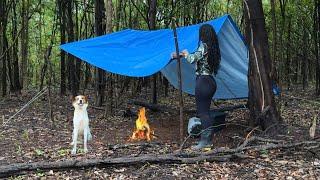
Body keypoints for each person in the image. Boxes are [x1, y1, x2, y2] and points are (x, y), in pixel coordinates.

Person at [172, 24, 221, 149]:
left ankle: (206, 142)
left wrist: (187, 53)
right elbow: (198, 57)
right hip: (210, 81)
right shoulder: (212, 48)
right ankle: (207, 140)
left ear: (203, 34)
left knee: (203, 113)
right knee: (206, 112)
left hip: (203, 82)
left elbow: (193, 58)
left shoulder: (203, 46)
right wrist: (182, 54)